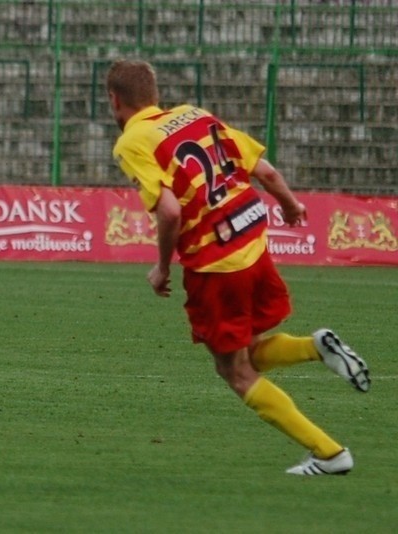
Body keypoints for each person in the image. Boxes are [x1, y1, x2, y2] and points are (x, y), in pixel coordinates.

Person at [107, 59, 371, 475]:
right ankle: (314, 347)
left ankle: (330, 453)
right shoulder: (194, 114)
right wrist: (290, 203)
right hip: (252, 235)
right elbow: (263, 169)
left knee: (235, 372)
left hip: (217, 262)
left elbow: (171, 212)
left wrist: (161, 268)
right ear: (155, 93)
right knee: (243, 353)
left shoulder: (131, 141)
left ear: (113, 100)